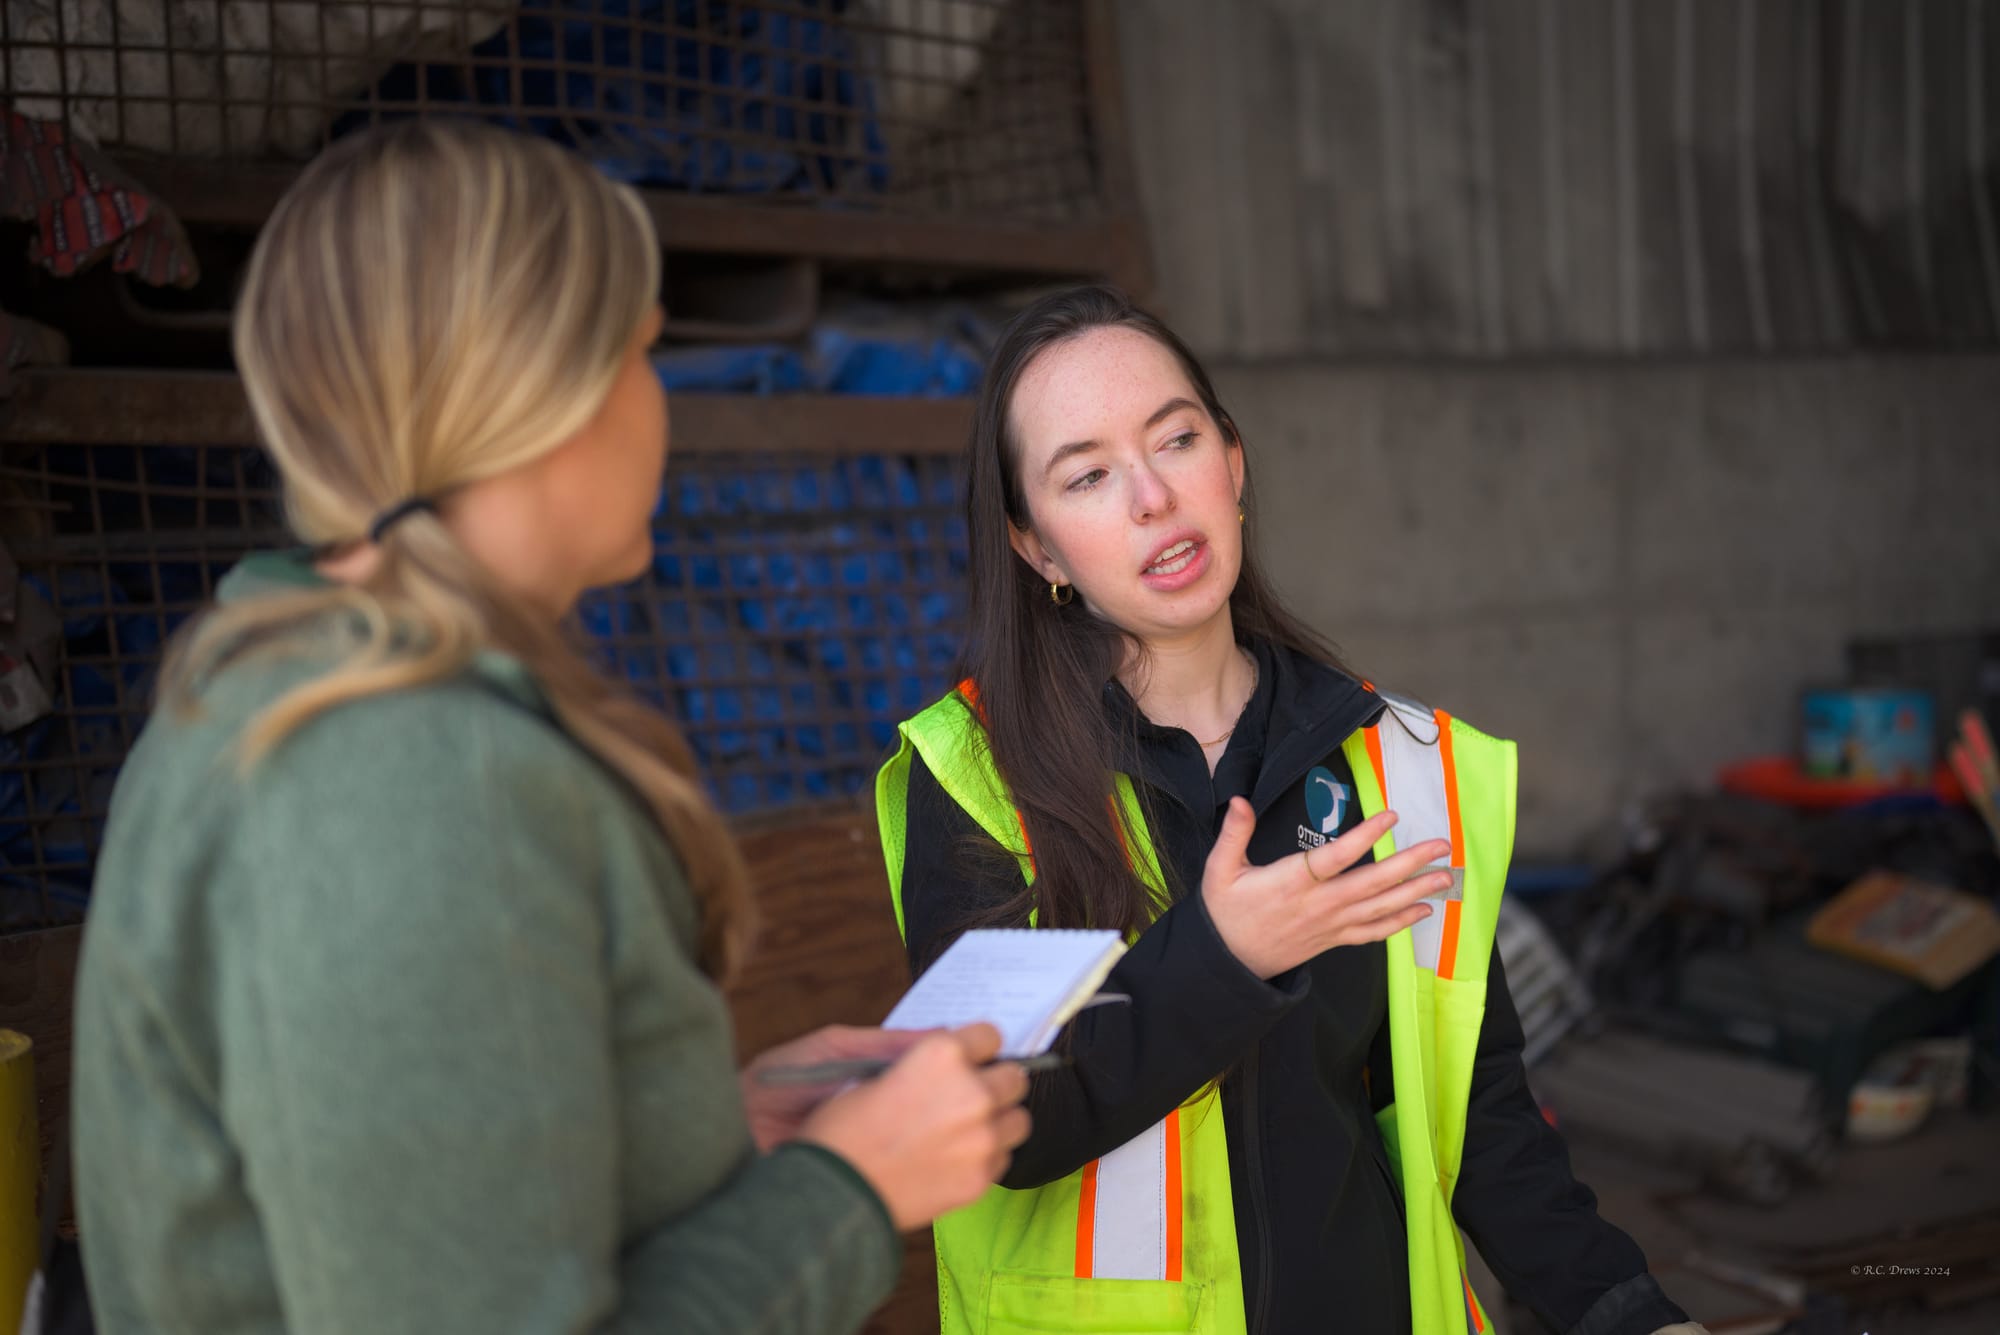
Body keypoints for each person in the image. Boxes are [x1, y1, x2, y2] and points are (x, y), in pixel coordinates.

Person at [69, 121, 1031, 1335]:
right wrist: (848, 1191)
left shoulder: (280, 686)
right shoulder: (403, 775)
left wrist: (679, 1132)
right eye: (638, 353)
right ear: (539, 397)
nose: (656, 399)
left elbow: (416, 1198)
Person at [874, 286, 1707, 1335]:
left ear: (1230, 463)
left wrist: (1625, 1312)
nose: (1150, 498)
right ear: (1035, 547)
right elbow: (1001, 1121)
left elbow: (1480, 1121)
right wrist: (1222, 955)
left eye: (1173, 440)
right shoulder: (979, 783)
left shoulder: (1401, 767)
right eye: (1085, 475)